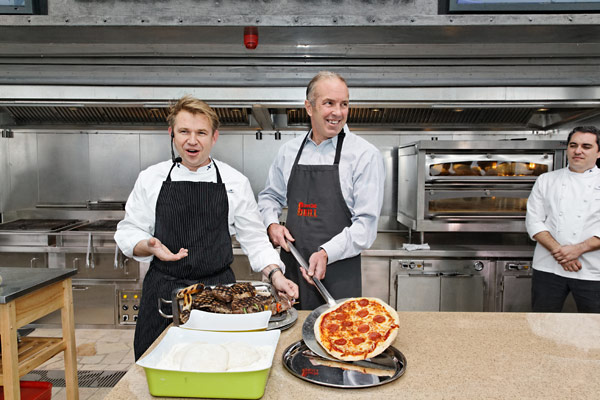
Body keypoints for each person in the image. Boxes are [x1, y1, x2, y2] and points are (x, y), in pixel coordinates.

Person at [115, 95, 299, 360]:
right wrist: (148, 246)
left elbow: (255, 239)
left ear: (214, 137)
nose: (192, 140)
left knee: (219, 363)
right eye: (184, 132)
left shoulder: (235, 182)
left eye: (201, 133)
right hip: (164, 293)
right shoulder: (151, 178)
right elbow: (129, 231)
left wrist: (275, 275)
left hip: (219, 296)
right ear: (171, 134)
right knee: (155, 366)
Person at [258, 71, 385, 310]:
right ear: (309, 107)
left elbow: (366, 226)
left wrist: (326, 252)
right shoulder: (288, 151)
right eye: (329, 103)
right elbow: (270, 197)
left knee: (338, 330)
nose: (338, 112)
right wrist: (271, 224)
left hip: (338, 273)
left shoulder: (365, 155)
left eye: (344, 104)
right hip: (292, 272)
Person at [526, 125, 600, 313]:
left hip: (592, 270)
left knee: (594, 325)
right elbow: (534, 221)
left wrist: (578, 249)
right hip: (548, 266)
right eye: (573, 145)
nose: (578, 151)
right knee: (542, 323)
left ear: (599, 152)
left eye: (586, 146)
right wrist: (561, 253)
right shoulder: (546, 180)